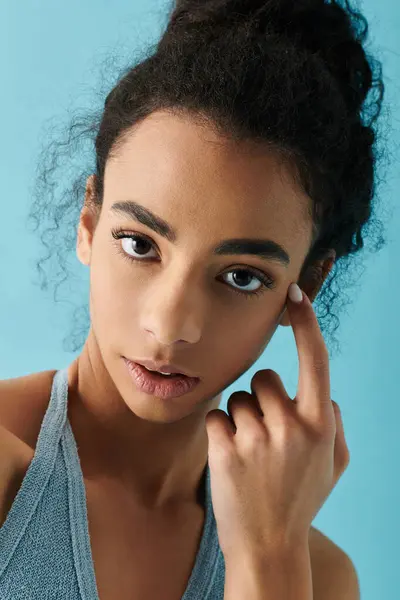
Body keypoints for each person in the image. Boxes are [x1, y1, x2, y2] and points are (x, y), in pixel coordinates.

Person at [0, 0, 387, 598]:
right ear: (88, 219)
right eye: (139, 243)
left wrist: (268, 555)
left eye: (240, 277)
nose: (169, 323)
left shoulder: (319, 576)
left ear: (306, 285)